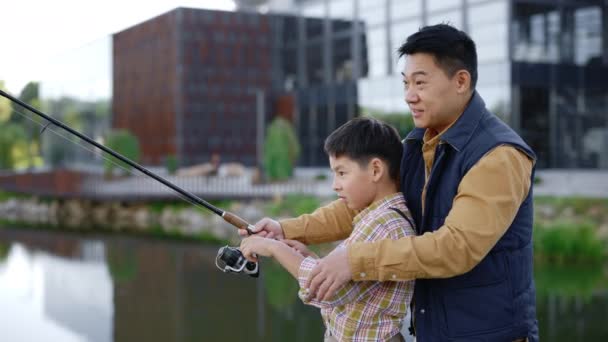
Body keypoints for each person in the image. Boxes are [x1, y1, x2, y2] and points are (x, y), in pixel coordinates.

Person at [242, 24, 539, 341]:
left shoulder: (499, 155)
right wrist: (285, 230)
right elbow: (361, 207)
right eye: (406, 83)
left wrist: (354, 261)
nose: (410, 96)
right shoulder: (416, 145)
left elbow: (457, 248)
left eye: (420, 83)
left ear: (461, 81)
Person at [240, 117, 416, 341]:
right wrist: (309, 257)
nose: (335, 184)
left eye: (342, 173)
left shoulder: (383, 225)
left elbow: (326, 291)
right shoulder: (377, 217)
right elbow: (346, 285)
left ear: (375, 170)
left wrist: (274, 247)